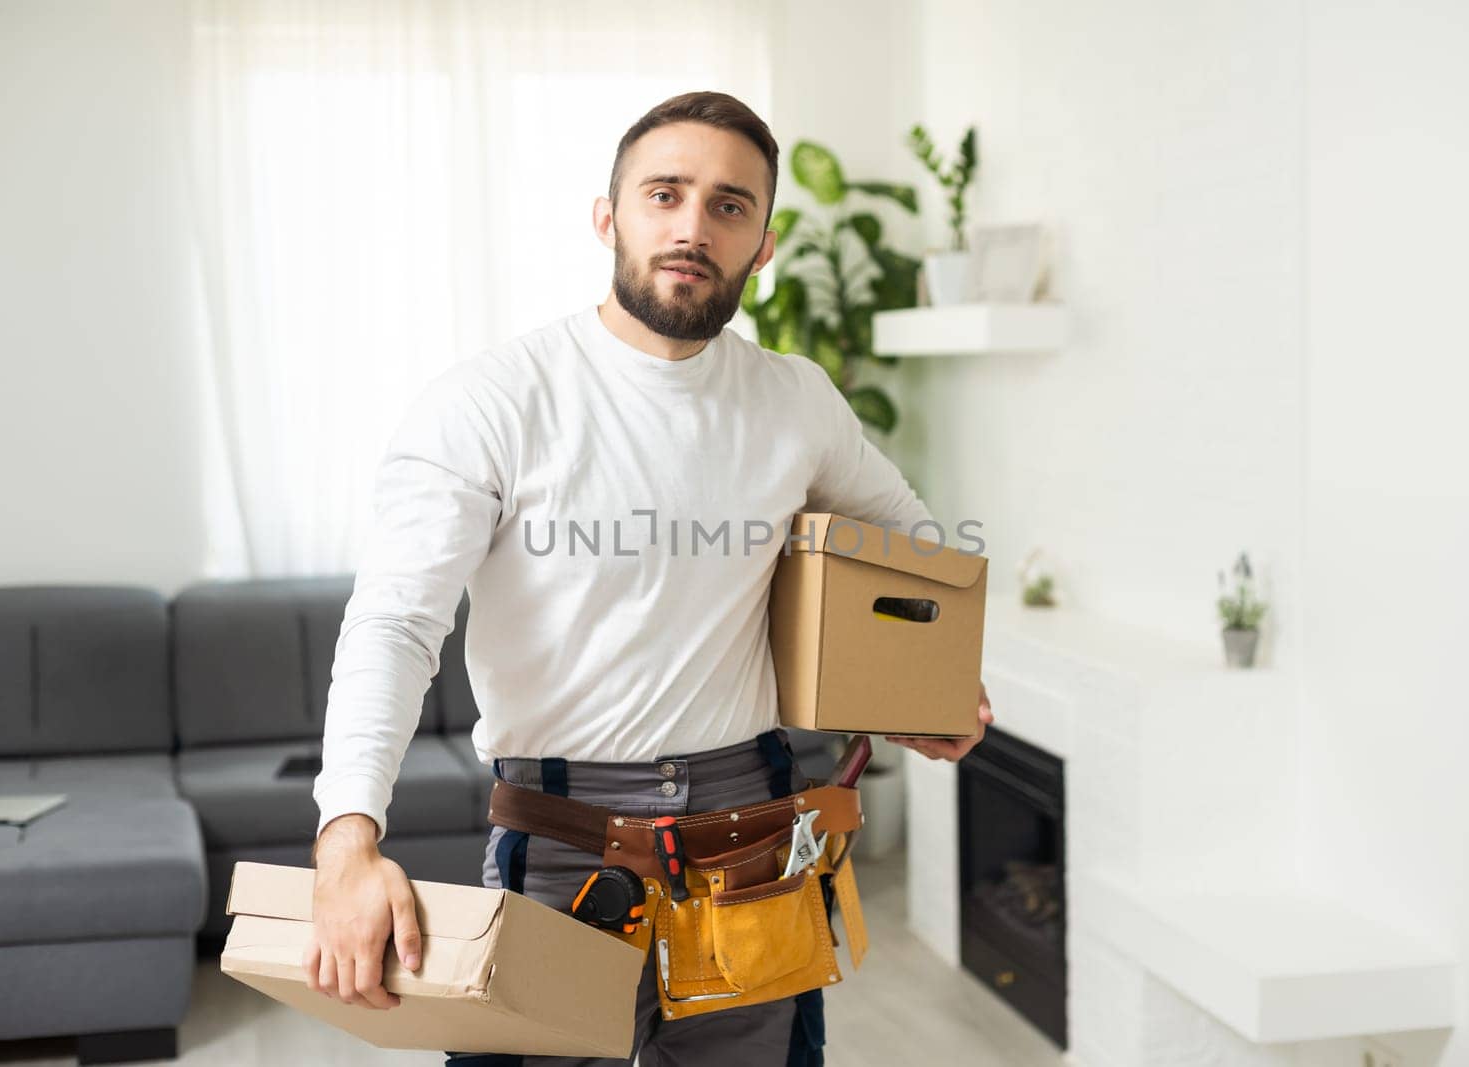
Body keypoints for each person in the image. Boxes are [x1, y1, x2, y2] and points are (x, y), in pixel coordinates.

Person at [303, 90, 995, 1066]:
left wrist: (925, 689)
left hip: (751, 843)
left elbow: (912, 544)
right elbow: (394, 624)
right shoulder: (492, 400)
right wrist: (346, 836)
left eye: (727, 204)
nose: (691, 226)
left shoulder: (793, 398)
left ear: (762, 242)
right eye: (664, 193)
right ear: (608, 215)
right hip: (561, 845)